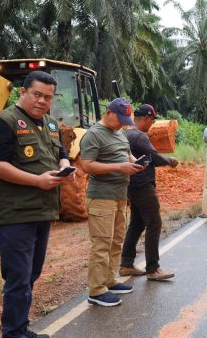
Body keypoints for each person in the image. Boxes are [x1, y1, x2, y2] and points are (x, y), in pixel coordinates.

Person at [0, 70, 72, 338]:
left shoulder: (51, 124)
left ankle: (19, 327)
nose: (42, 101)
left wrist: (66, 167)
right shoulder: (2, 122)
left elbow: (62, 155)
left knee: (31, 274)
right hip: (14, 214)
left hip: (42, 212)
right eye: (37, 95)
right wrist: (37, 181)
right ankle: (14, 333)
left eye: (48, 97)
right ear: (23, 92)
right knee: (18, 278)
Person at [80, 98, 145, 307]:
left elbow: (127, 155)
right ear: (108, 113)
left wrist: (136, 163)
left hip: (119, 195)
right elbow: (87, 166)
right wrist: (120, 167)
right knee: (101, 243)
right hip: (101, 197)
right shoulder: (93, 135)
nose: (123, 124)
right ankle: (96, 290)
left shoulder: (120, 133)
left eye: (126, 121)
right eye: (120, 119)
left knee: (116, 240)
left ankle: (109, 280)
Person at [120, 104, 178, 281]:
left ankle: (126, 264)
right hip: (143, 186)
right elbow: (155, 157)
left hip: (131, 185)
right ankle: (153, 268)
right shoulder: (139, 136)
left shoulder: (124, 134)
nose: (151, 125)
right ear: (146, 118)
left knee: (137, 223)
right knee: (154, 222)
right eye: (151, 121)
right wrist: (170, 161)